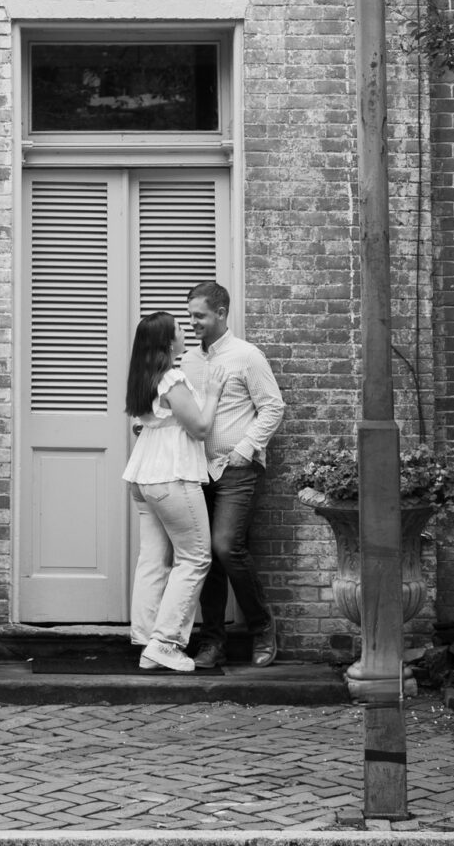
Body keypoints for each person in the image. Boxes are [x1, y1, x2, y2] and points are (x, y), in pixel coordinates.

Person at [182, 279, 286, 672]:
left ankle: (262, 626)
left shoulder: (247, 356)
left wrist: (245, 450)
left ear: (221, 313)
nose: (193, 323)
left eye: (200, 316)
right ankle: (212, 642)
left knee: (226, 546)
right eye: (190, 316)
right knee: (203, 556)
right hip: (197, 470)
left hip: (237, 469)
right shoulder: (190, 361)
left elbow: (273, 407)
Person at [123, 308, 215, 674]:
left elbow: (146, 426)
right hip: (171, 478)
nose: (185, 331)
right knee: (194, 558)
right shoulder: (172, 378)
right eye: (179, 328)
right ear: (167, 341)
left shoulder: (143, 378)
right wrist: (213, 392)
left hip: (144, 479)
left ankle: (147, 639)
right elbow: (200, 428)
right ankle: (166, 642)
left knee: (153, 559)